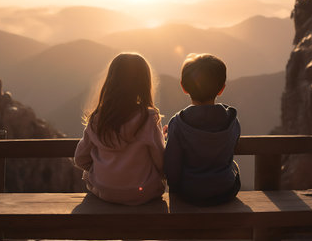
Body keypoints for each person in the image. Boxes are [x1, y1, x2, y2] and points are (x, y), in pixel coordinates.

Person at [73, 53, 165, 205]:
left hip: (104, 192)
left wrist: (105, 170)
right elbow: (161, 163)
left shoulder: (98, 118)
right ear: (143, 84)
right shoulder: (148, 118)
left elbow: (80, 159)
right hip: (143, 193)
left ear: (111, 82)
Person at [164, 53, 241, 206]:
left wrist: (174, 191)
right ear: (221, 89)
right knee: (235, 167)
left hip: (189, 193)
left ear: (184, 87)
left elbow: (171, 168)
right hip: (225, 190)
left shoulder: (178, 123)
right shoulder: (232, 121)